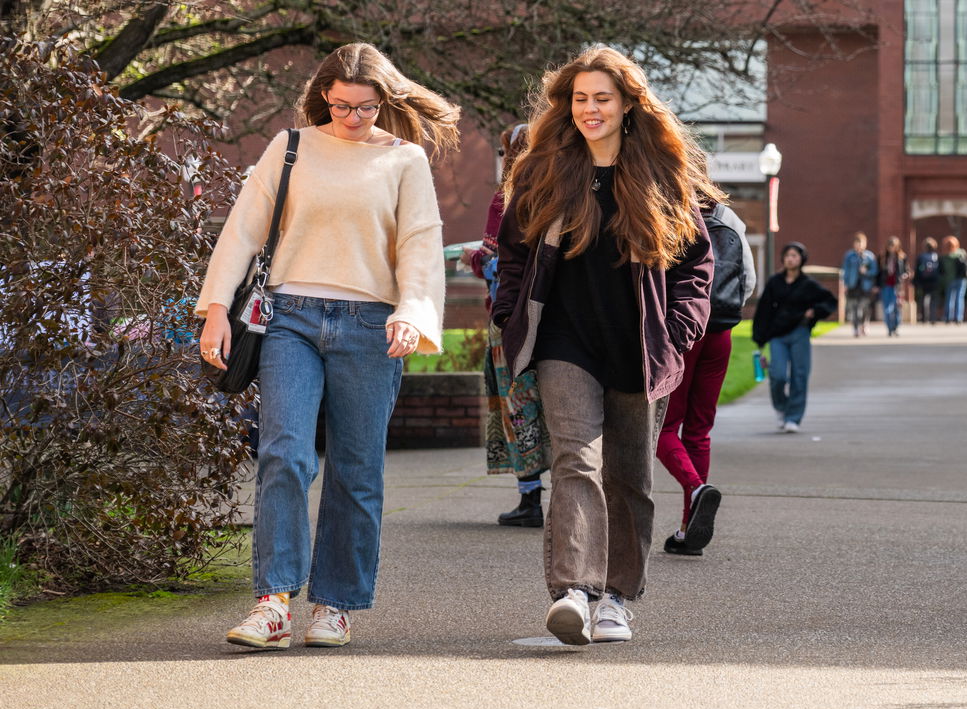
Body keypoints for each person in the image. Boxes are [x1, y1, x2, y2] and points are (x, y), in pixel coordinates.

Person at [195, 42, 458, 651]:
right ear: (323, 97)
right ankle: (273, 602)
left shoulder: (404, 159)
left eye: (364, 108)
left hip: (371, 325)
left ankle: (335, 604)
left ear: (383, 103)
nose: (351, 118)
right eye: (340, 106)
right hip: (289, 317)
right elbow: (242, 231)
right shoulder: (289, 148)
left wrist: (412, 314)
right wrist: (215, 310)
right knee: (284, 452)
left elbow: (420, 243)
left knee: (356, 469)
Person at [493, 45, 713, 647]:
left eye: (602, 99)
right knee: (575, 462)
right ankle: (573, 591)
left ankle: (618, 597)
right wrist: (508, 311)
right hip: (565, 342)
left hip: (641, 346)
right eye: (580, 98)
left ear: (626, 106)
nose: (589, 109)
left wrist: (680, 330)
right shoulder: (544, 170)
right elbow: (511, 252)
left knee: (630, 477)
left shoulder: (661, 174)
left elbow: (697, 264)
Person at [465, 123, 551, 528]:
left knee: (518, 405)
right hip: (556, 319)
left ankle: (530, 498)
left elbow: (493, 259)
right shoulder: (561, 193)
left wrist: (475, 259)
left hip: (510, 320)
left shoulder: (506, 200)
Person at [659, 198, 755, 556]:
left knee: (664, 427)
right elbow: (749, 279)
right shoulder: (729, 216)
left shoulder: (671, 208)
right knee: (699, 431)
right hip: (722, 332)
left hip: (685, 329)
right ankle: (687, 530)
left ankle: (696, 487)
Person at [751, 242, 836, 433]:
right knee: (778, 375)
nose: (791, 259)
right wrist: (760, 336)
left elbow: (830, 301)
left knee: (799, 375)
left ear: (801, 259)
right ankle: (781, 408)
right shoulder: (775, 282)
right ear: (783, 259)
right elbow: (763, 310)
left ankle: (793, 417)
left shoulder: (808, 284)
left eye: (795, 255)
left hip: (799, 332)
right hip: (778, 335)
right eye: (787, 255)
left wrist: (814, 312)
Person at [840, 232, 878, 337]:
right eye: (857, 243)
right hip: (853, 284)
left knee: (865, 307)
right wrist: (845, 284)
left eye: (861, 243)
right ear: (854, 244)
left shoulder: (869, 256)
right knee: (854, 307)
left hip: (865, 285)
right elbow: (845, 270)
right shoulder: (849, 256)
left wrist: (866, 272)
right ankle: (855, 328)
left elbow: (874, 271)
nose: (859, 245)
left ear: (865, 244)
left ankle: (864, 324)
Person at [878, 236, 908, 337]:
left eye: (893, 246)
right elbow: (878, 273)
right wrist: (876, 285)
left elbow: (906, 270)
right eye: (890, 246)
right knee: (887, 308)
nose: (891, 248)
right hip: (886, 285)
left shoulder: (902, 257)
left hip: (897, 286)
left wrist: (904, 275)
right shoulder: (882, 257)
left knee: (896, 308)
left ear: (897, 247)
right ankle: (889, 328)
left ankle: (896, 327)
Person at [939, 235, 967, 323]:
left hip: (949, 279)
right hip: (961, 279)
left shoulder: (945, 256)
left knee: (949, 298)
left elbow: (944, 270)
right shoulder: (961, 253)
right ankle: (958, 318)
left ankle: (948, 317)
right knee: (959, 298)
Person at [913, 237, 941, 324]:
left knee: (924, 298)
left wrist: (915, 281)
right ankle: (933, 318)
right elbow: (940, 270)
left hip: (923, 280)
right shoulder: (936, 257)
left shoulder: (921, 257)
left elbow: (917, 270)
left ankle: (924, 318)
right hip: (934, 280)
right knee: (933, 299)